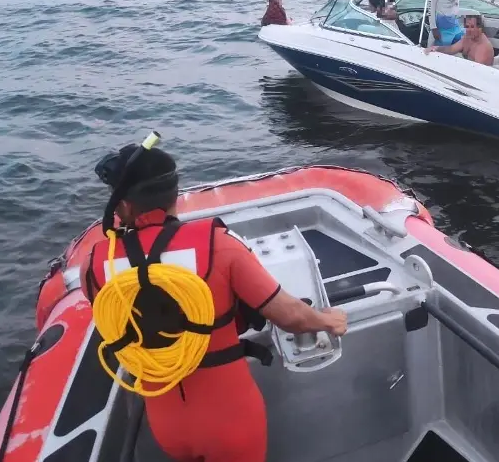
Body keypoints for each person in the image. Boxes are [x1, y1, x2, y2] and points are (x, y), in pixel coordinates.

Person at [80, 137, 347, 462]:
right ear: (175, 194)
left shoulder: (94, 265)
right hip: (230, 420)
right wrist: (327, 320)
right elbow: (291, 316)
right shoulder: (219, 245)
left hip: (166, 424)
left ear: (122, 206)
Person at [424, 14, 494, 66]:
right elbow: (451, 49)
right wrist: (435, 48)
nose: (469, 30)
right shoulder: (468, 37)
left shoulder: (483, 48)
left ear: (480, 28)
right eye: (467, 26)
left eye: (472, 27)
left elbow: (477, 73)